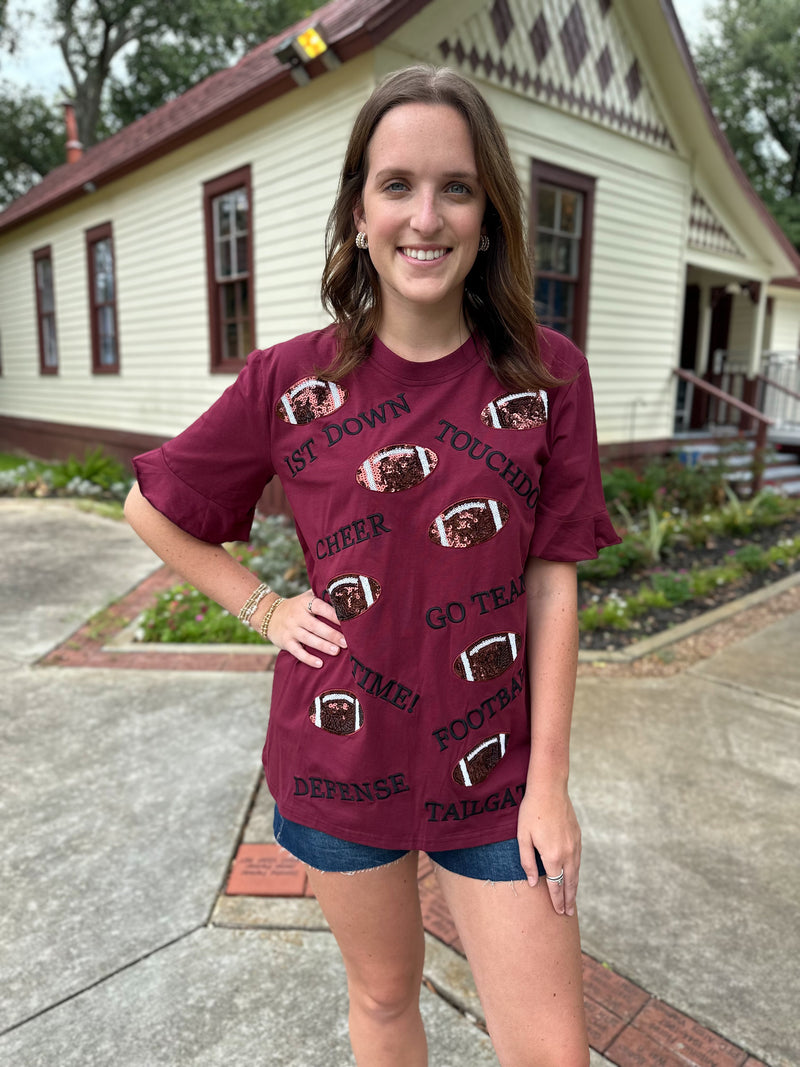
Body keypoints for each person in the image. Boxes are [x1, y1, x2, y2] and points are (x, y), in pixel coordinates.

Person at [125, 64, 619, 1067]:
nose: (424, 215)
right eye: (396, 184)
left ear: (487, 216)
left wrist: (550, 782)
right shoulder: (290, 379)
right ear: (359, 211)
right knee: (386, 1002)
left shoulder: (546, 373)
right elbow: (153, 506)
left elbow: (551, 576)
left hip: (496, 772)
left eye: (456, 186)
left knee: (549, 1049)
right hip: (340, 762)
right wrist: (264, 607)